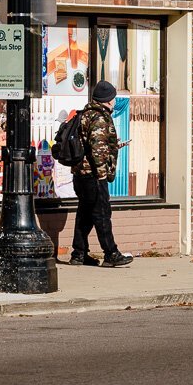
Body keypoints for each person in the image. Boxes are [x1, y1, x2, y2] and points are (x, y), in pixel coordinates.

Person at [68, 80, 133, 268]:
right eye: (113, 98)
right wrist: (102, 175)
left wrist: (114, 145)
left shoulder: (85, 114)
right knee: (102, 213)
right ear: (108, 99)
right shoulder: (99, 117)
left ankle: (79, 254)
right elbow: (97, 149)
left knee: (85, 214)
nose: (114, 101)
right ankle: (111, 253)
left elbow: (92, 144)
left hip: (81, 173)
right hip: (93, 175)